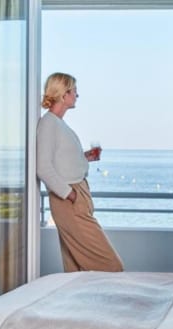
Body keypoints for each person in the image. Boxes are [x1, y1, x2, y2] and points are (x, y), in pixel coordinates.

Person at [36, 72, 124, 272]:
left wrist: (85, 157)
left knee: (75, 269)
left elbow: (61, 160)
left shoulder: (58, 123)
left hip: (76, 195)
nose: (77, 95)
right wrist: (71, 195)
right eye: (74, 91)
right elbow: (43, 167)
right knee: (112, 266)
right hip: (69, 199)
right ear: (63, 94)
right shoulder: (49, 123)